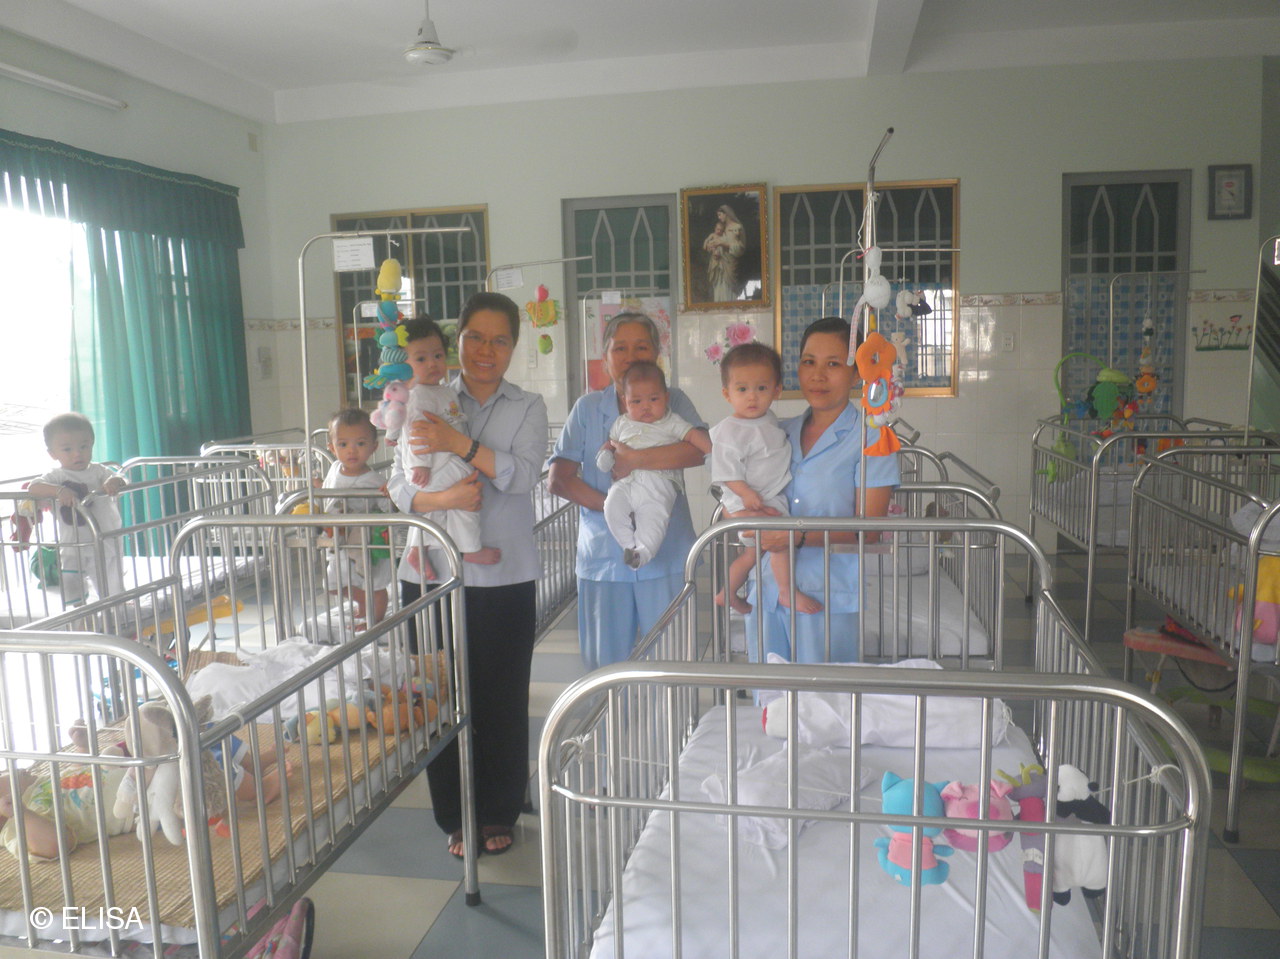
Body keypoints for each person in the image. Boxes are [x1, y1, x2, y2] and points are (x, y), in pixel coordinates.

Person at [387, 291, 547, 860]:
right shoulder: (424, 393)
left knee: (501, 698)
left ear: (513, 347)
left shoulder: (528, 406)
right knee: (438, 699)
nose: (485, 349)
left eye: (499, 340)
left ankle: (499, 808)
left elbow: (523, 475)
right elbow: (398, 483)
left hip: (503, 575)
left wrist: (459, 444)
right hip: (430, 574)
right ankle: (455, 814)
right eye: (475, 337)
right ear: (458, 341)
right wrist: (443, 499)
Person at [549, 312, 708, 670]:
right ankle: (605, 712)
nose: (631, 356)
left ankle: (671, 713)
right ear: (605, 357)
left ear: (657, 354)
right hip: (604, 557)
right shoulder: (588, 409)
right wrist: (615, 507)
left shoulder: (674, 400)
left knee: (670, 662)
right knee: (604, 668)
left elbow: (699, 450)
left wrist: (636, 459)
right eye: (620, 348)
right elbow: (559, 478)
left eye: (642, 347)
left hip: (667, 549)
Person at [743, 316, 900, 664]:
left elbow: (870, 530)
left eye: (833, 364)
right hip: (767, 588)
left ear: (857, 374)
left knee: (825, 694)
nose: (817, 375)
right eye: (809, 362)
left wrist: (794, 537)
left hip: (827, 595)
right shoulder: (776, 433)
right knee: (766, 690)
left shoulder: (872, 439)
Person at [708, 342, 819, 615]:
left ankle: (726, 593)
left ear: (776, 390)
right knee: (781, 542)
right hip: (748, 500)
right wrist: (745, 494)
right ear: (726, 393)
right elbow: (725, 471)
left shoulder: (769, 420)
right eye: (742, 389)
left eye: (761, 388)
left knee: (753, 553)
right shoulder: (730, 431)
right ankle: (786, 592)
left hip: (765, 498)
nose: (752, 397)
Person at [397, 318, 501, 574]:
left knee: (441, 507)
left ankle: (418, 549)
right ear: (403, 366)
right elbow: (415, 431)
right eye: (421, 359)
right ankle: (469, 548)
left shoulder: (443, 391)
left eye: (438, 355)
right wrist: (421, 465)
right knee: (466, 493)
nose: (432, 364)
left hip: (444, 459)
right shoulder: (418, 395)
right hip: (433, 464)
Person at [595, 361, 711, 569]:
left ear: (666, 398)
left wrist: (712, 454)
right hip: (626, 482)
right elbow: (611, 443)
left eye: (654, 399)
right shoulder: (622, 422)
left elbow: (694, 436)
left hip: (659, 482)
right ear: (625, 402)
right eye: (636, 401)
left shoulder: (671, 421)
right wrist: (605, 454)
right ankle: (629, 546)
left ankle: (642, 554)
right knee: (611, 506)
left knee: (654, 520)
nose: (645, 406)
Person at [27, 412, 126, 604]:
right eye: (67, 449)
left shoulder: (98, 471)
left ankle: (115, 605)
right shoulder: (56, 476)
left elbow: (121, 478)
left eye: (84, 446)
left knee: (110, 577)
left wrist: (115, 481)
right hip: (72, 541)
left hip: (104, 538)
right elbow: (34, 488)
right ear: (52, 454)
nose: (77, 454)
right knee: (71, 579)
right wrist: (58, 490)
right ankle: (79, 610)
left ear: (92, 445)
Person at [319, 407, 392, 629]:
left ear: (374, 447)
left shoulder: (374, 481)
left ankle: (375, 620)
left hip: (366, 543)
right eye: (343, 444)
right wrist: (317, 488)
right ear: (332, 448)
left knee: (374, 582)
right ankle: (362, 600)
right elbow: (327, 493)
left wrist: (390, 494)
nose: (352, 450)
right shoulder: (334, 469)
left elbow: (389, 509)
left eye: (360, 443)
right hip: (339, 541)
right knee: (334, 584)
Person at [703, 204, 746, 302]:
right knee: (719, 289)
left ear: (726, 214)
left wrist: (722, 243)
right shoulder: (721, 228)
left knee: (729, 293)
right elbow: (712, 241)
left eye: (720, 215)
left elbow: (740, 248)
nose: (719, 217)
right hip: (718, 264)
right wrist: (711, 246)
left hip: (729, 264)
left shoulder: (737, 227)